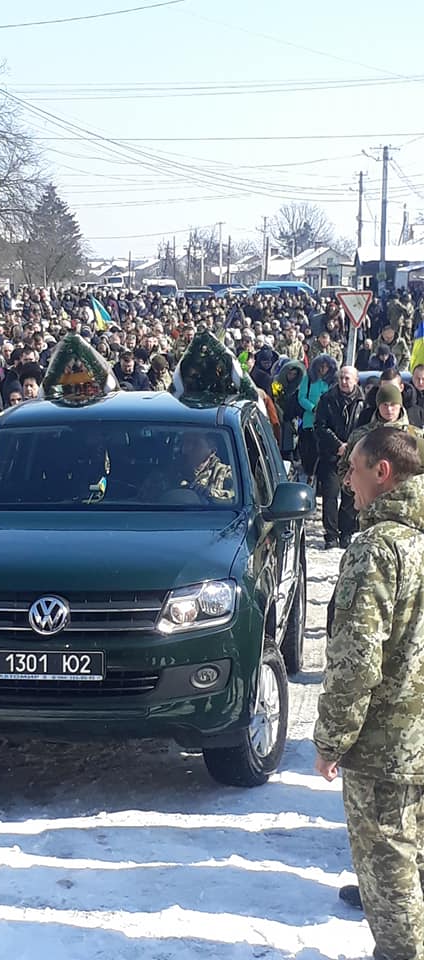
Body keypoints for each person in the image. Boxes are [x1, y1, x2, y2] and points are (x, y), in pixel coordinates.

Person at [314, 427, 424, 960]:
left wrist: (331, 739)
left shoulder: (378, 548)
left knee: (392, 881)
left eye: (353, 470)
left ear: (383, 473)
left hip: (388, 749)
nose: (346, 482)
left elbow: (357, 659)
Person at [314, 366, 364, 549]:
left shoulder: (363, 401)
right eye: (341, 378)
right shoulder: (327, 399)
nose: (344, 381)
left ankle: (347, 532)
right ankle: (331, 535)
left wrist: (352, 448)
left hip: (355, 457)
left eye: (348, 378)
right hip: (331, 455)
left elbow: (365, 427)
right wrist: (338, 446)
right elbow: (320, 426)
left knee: (350, 495)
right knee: (330, 495)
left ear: (356, 380)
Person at [297, 354, 337, 484]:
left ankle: (320, 479)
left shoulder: (332, 381)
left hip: (327, 422)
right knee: (311, 451)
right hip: (309, 421)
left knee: (324, 453)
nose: (323, 369)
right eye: (321, 366)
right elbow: (301, 397)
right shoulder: (308, 379)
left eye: (326, 367)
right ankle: (310, 474)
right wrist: (313, 408)